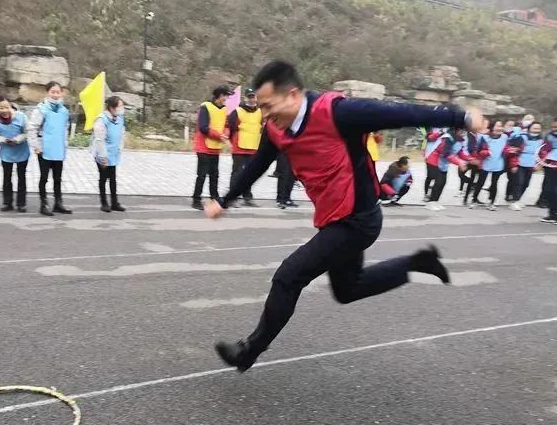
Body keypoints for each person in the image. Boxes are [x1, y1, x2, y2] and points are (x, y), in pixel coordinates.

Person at [205, 61, 482, 371]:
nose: (264, 114)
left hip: (358, 219)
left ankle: (248, 352)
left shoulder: (337, 112)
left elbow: (399, 113)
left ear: (293, 95)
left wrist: (460, 116)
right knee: (348, 290)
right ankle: (417, 263)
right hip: (333, 217)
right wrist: (224, 201)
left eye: (268, 105)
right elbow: (257, 164)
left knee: (289, 276)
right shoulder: (275, 128)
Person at [28, 81, 72, 216]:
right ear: (47, 93)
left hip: (58, 149)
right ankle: (44, 204)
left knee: (58, 178)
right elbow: (32, 128)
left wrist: (65, 144)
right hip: (44, 149)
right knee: (44, 178)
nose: (55, 94)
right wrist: (36, 147)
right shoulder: (41, 109)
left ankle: (58, 203)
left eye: (57, 92)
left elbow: (65, 129)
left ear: (61, 93)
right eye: (52, 91)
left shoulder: (64, 111)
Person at [0, 96, 30, 212]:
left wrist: (17, 139)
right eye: (1, 108)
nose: (4, 110)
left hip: (22, 151)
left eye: (7, 107)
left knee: (21, 177)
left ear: (11, 106)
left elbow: (27, 132)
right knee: (7, 178)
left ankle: (21, 204)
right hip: (6, 152)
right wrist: (3, 139)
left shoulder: (21, 117)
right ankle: (7, 203)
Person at [191, 86, 231, 210]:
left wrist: (226, 133)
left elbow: (226, 125)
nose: (226, 98)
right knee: (202, 174)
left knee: (215, 174)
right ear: (219, 95)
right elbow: (203, 127)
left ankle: (214, 197)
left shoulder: (225, 109)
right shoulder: (205, 107)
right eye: (225, 95)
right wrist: (220, 136)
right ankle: (196, 199)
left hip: (215, 147)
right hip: (203, 146)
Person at [227, 87, 262, 207]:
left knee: (250, 174)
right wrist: (231, 142)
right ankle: (232, 198)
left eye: (253, 97)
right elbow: (230, 127)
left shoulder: (260, 112)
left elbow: (262, 127)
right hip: (239, 147)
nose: (252, 99)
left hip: (253, 147)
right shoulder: (237, 111)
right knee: (237, 173)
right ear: (245, 98)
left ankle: (248, 197)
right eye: (250, 97)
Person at [92, 96, 127, 213]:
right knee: (103, 178)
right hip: (103, 153)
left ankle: (114, 202)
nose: (122, 108)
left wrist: (120, 148)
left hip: (114, 153)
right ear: (111, 108)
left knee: (113, 178)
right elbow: (99, 139)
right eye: (119, 106)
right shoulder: (102, 119)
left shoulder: (120, 119)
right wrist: (103, 156)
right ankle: (104, 202)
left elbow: (121, 134)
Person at [424, 128, 471, 211]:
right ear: (457, 129)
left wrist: (470, 159)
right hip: (434, 160)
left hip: (443, 164)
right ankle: (430, 203)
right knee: (439, 181)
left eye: (465, 131)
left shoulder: (460, 139)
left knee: (443, 182)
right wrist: (459, 162)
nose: (464, 132)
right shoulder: (448, 137)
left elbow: (460, 152)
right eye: (462, 130)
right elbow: (445, 153)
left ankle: (435, 201)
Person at [472, 119, 508, 211]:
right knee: (481, 182)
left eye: (501, 126)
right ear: (492, 127)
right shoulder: (484, 137)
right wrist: (484, 153)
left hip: (498, 163)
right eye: (497, 126)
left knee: (494, 183)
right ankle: (474, 200)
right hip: (486, 163)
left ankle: (492, 202)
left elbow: (507, 148)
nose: (499, 128)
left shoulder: (505, 137)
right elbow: (478, 150)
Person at [510, 121, 543, 211]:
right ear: (529, 128)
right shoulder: (522, 138)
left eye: (538, 128)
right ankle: (515, 200)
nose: (536, 130)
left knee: (526, 183)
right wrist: (513, 165)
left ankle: (519, 199)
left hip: (531, 165)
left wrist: (539, 164)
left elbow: (542, 153)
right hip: (520, 163)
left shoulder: (541, 140)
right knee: (519, 182)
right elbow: (513, 152)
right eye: (534, 128)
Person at [462, 119, 488, 207]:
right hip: (473, 161)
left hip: (481, 161)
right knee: (471, 179)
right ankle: (465, 198)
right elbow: (469, 148)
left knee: (480, 180)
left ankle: (474, 198)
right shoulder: (470, 135)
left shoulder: (484, 135)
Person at [422, 128, 444, 201]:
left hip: (439, 158)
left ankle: (431, 194)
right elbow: (430, 138)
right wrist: (440, 133)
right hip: (430, 155)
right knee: (431, 176)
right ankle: (426, 194)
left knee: (436, 177)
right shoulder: (431, 129)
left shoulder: (445, 129)